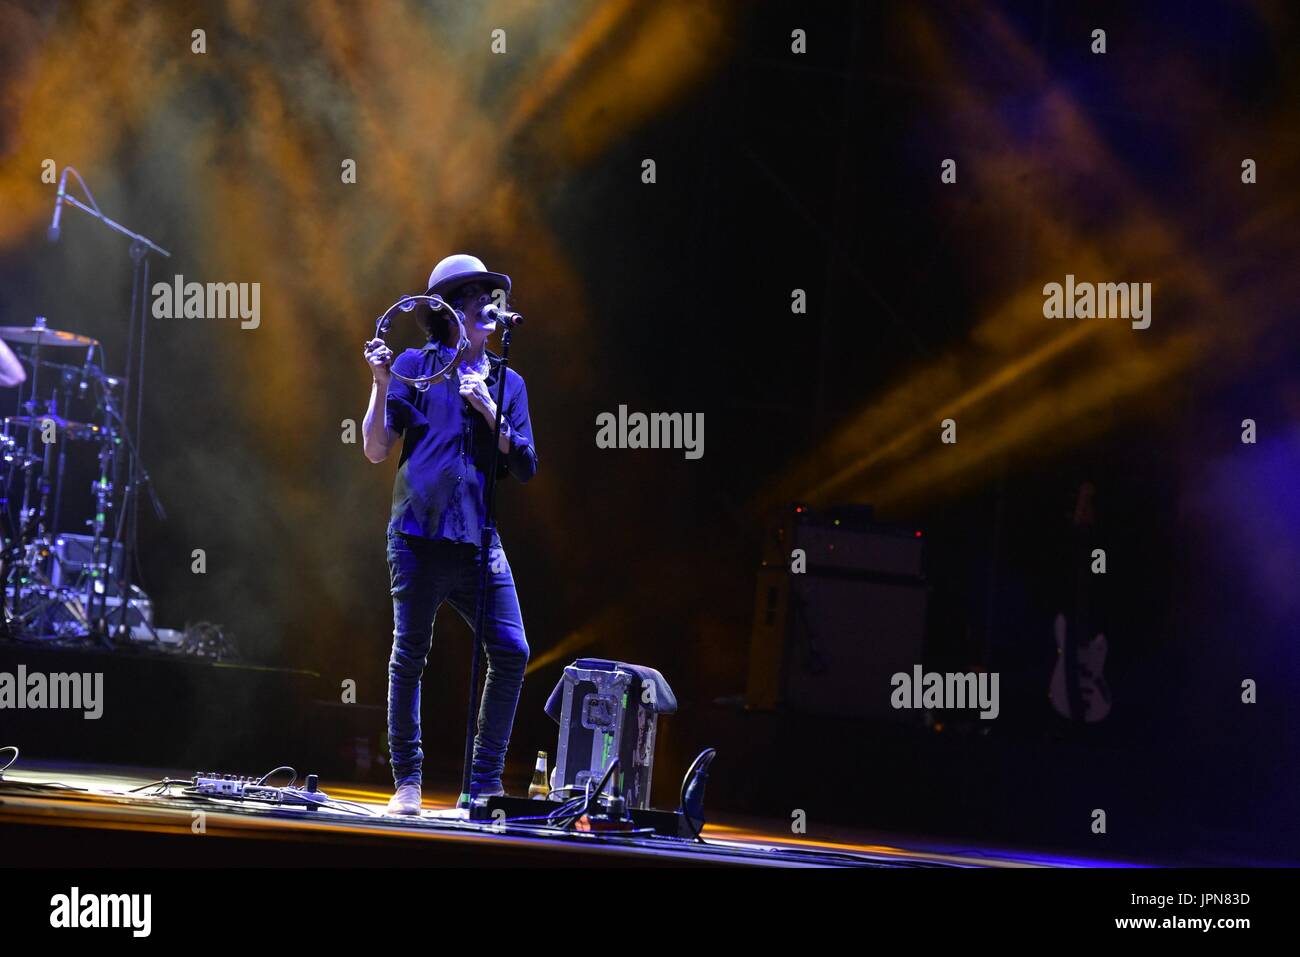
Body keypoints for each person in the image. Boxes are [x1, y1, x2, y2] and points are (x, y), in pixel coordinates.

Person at [361, 253, 538, 815]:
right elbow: (374, 447)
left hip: (478, 543)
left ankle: (485, 782)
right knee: (409, 655)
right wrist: (379, 382)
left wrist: (491, 414)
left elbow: (528, 464)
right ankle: (407, 783)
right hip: (416, 537)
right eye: (477, 298)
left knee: (511, 651)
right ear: (449, 311)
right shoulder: (416, 365)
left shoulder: (509, 383)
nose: (490, 307)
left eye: (493, 296)